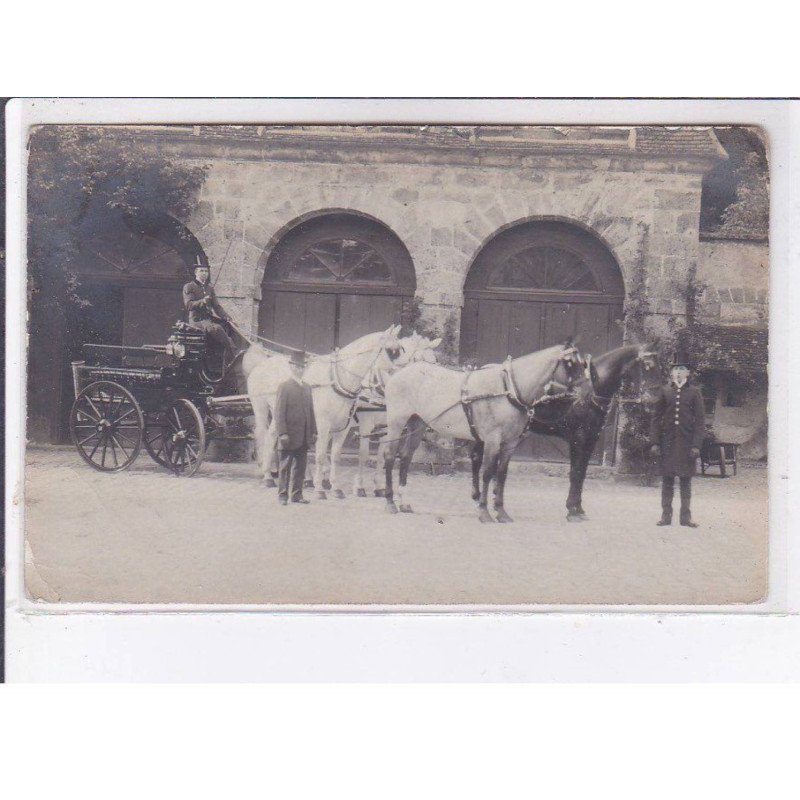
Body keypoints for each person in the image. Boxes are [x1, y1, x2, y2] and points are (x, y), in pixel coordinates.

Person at [649, 350, 706, 528]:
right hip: (667, 444)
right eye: (676, 369)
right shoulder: (665, 391)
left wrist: (696, 445)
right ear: (671, 373)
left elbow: (700, 421)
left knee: (685, 481)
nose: (679, 372)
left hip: (687, 445)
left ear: (688, 373)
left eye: (682, 369)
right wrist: (655, 442)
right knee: (667, 481)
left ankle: (685, 518)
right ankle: (666, 517)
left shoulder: (695, 393)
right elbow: (656, 419)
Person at [274, 350, 317, 505]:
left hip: (304, 435)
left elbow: (311, 411)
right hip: (289, 435)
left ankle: (297, 495)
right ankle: (283, 495)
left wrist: (314, 431)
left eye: (302, 367)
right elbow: (278, 412)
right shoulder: (284, 387)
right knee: (285, 466)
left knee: (300, 467)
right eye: (297, 366)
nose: (300, 369)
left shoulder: (307, 388)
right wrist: (283, 433)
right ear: (291, 367)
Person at [182, 256, 238, 362]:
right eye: (202, 271)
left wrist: (227, 317)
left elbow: (217, 307)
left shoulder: (209, 288)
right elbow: (189, 305)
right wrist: (202, 301)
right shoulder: (189, 287)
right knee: (216, 329)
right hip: (196, 321)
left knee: (230, 326)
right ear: (196, 273)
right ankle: (234, 353)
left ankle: (227, 358)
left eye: (206, 271)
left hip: (208, 320)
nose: (204, 273)